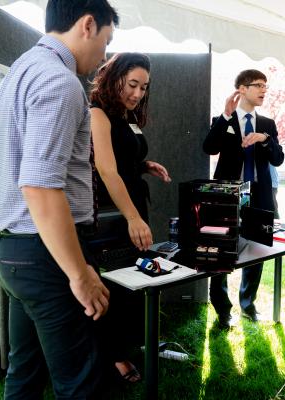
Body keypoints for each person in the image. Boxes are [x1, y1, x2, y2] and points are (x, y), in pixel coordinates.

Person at [0, 1, 118, 398]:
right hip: (46, 254)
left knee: (24, 375)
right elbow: (41, 186)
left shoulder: (19, 72)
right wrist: (79, 274)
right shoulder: (60, 83)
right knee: (80, 383)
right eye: (106, 41)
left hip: (11, 249)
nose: (104, 56)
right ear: (87, 24)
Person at [89, 52, 170, 382]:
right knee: (115, 285)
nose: (137, 93)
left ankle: (126, 345)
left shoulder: (126, 116)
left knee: (133, 281)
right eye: (132, 84)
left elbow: (123, 159)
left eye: (144, 87)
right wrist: (133, 218)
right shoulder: (97, 113)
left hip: (133, 207)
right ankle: (112, 356)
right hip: (113, 214)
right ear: (114, 77)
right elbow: (106, 170)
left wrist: (144, 165)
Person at [203, 69, 284, 329]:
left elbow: (278, 159)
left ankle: (248, 304)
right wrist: (226, 115)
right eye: (257, 85)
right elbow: (209, 147)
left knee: (257, 250)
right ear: (242, 89)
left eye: (265, 86)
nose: (263, 90)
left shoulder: (267, 124)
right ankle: (222, 309)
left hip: (259, 195)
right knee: (220, 252)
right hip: (227, 196)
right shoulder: (223, 119)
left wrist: (264, 140)